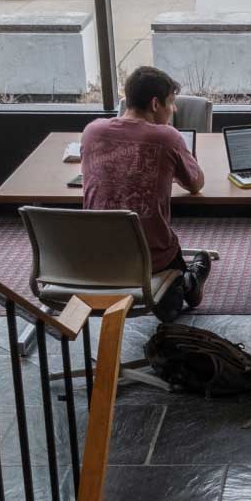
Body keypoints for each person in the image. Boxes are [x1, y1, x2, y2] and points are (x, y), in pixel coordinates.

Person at [79, 65, 211, 320]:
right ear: (154, 104)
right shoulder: (167, 138)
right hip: (152, 260)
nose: (174, 110)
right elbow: (196, 183)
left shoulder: (91, 131)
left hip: (97, 257)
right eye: (171, 103)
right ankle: (190, 281)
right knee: (171, 306)